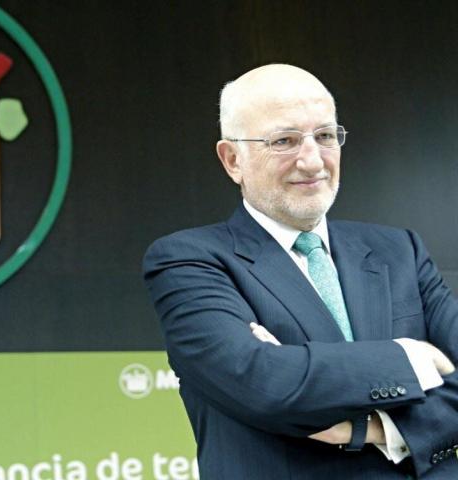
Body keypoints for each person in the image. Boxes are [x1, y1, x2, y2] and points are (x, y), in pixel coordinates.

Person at [143, 64, 458, 479]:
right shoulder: (189, 261)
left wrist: (369, 429)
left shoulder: (399, 250)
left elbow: (288, 382)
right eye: (284, 141)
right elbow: (266, 384)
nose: (312, 161)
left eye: (324, 136)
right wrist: (414, 356)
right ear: (233, 159)